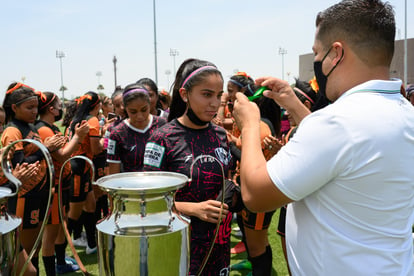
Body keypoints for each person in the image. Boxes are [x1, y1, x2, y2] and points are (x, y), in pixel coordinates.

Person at [232, 0, 414, 274]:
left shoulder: (338, 123)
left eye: (317, 52)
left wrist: (249, 124)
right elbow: (343, 156)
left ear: (336, 53)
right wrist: (293, 103)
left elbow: (255, 194)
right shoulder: (404, 112)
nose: (316, 60)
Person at [143, 58, 232, 275]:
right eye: (207, 94)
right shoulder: (161, 139)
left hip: (219, 246)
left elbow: (225, 184)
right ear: (184, 95)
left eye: (219, 95)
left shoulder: (220, 135)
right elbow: (147, 201)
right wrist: (195, 209)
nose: (215, 103)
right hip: (179, 245)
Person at [1, 82, 65, 273]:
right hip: (24, 196)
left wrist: (44, 148)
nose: (34, 111)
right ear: (14, 108)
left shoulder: (29, 127)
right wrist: (46, 148)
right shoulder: (13, 130)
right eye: (29, 107)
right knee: (24, 255)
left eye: (36, 107)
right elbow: (22, 164)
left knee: (33, 250)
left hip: (39, 192)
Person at [35, 91, 89, 275]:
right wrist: (79, 136)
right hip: (52, 186)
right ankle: (54, 268)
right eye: (59, 105)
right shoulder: (43, 129)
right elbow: (63, 154)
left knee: (60, 225)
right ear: (51, 109)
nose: (61, 108)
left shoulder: (52, 127)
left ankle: (60, 261)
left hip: (61, 183)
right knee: (50, 234)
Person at [67, 91, 103, 255]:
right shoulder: (92, 119)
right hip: (79, 168)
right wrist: (107, 139)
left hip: (81, 167)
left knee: (90, 205)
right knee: (74, 213)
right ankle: (58, 250)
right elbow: (96, 149)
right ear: (97, 105)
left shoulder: (74, 119)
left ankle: (91, 243)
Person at [107, 83, 166, 174]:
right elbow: (113, 174)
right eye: (133, 112)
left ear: (149, 104)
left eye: (144, 110)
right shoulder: (117, 133)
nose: (139, 116)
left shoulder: (163, 125)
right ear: (125, 108)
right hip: (131, 187)